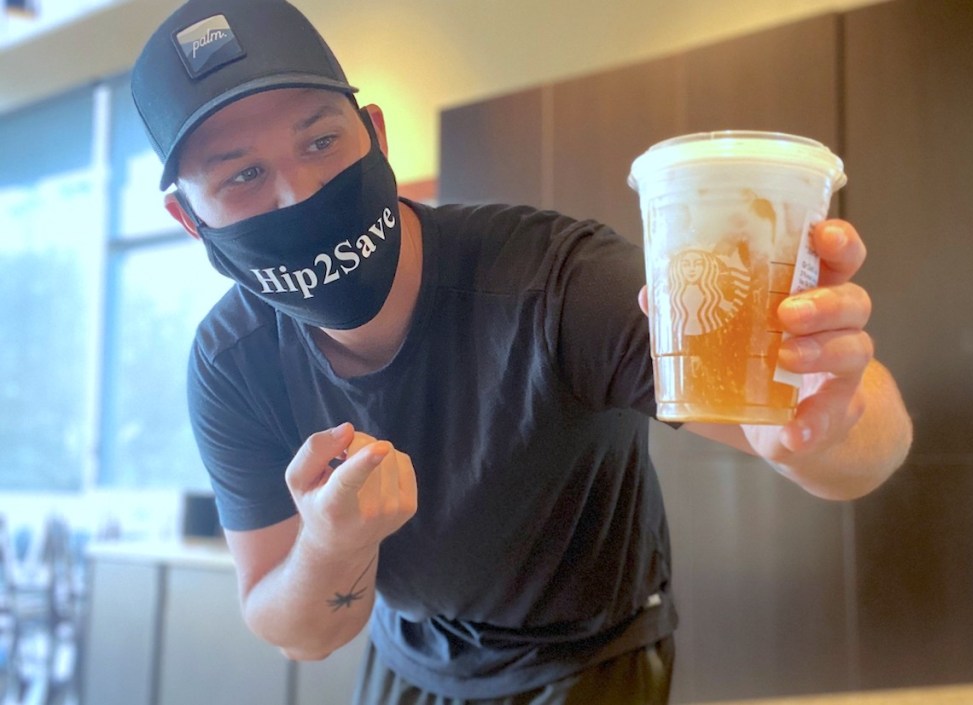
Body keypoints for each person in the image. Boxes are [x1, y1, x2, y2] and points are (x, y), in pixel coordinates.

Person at [130, 0, 913, 702]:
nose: (298, 194)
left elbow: (870, 446)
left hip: (587, 661)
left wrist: (820, 427)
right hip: (410, 658)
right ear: (189, 219)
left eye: (321, 139)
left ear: (374, 134)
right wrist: (333, 545)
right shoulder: (232, 361)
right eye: (242, 176)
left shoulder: (553, 282)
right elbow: (300, 628)